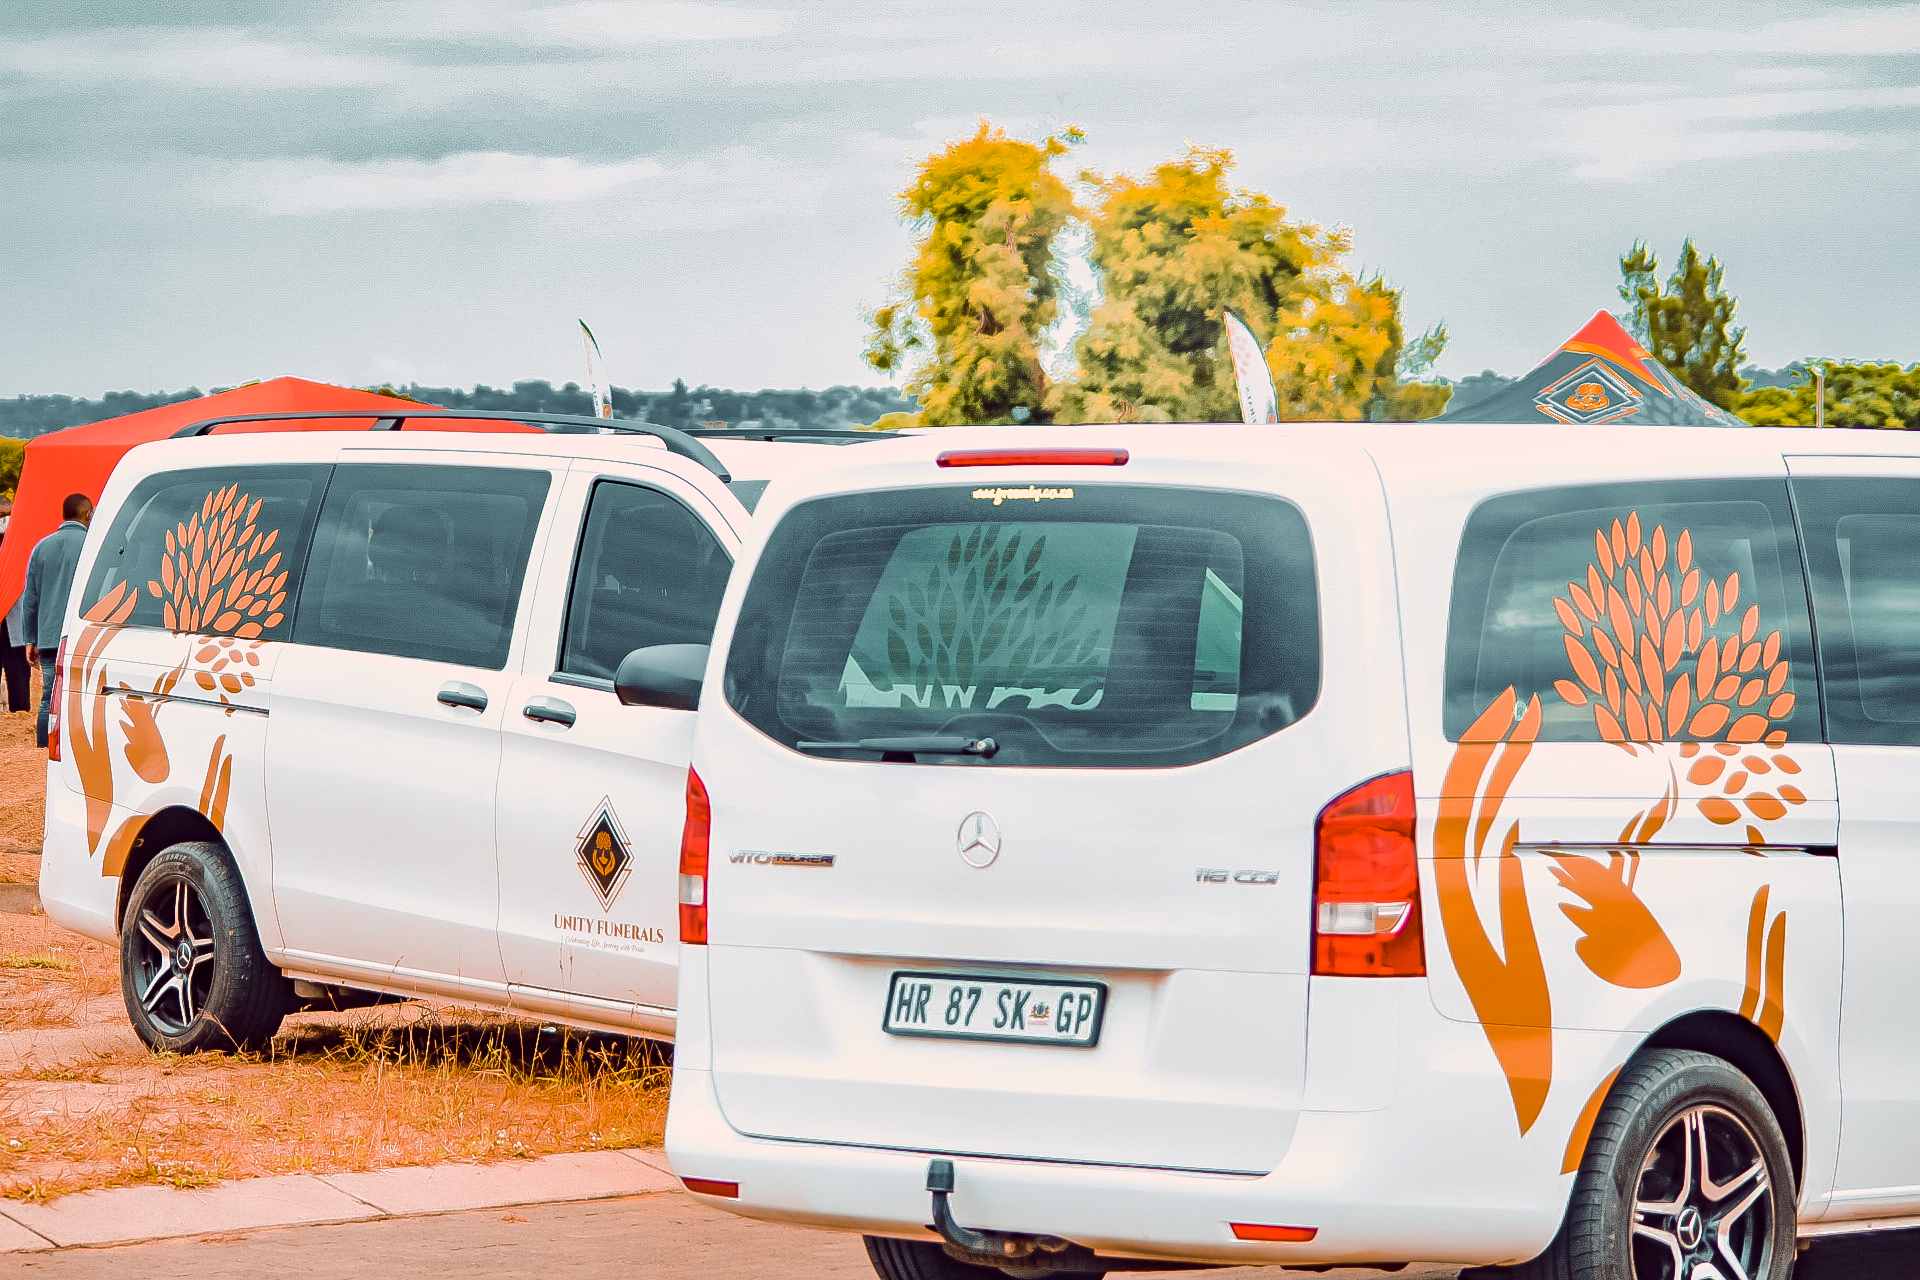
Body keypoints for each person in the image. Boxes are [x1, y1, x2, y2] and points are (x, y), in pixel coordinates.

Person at [22, 492, 94, 747]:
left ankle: (43, 747)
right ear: (88, 514)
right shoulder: (92, 545)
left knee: (48, 696)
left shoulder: (41, 547)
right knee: (83, 696)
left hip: (49, 637)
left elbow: (30, 598)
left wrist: (30, 639)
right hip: (85, 636)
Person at [0, 507, 28, 716]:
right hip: (14, 622)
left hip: (15, 623)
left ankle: (20, 713)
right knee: (18, 673)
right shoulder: (23, 552)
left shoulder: (23, 552)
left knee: (18, 674)